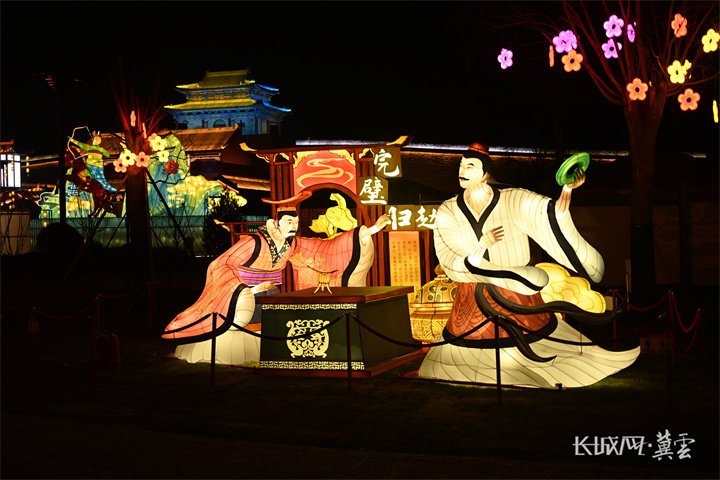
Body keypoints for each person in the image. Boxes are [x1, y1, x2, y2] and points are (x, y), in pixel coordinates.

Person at [418, 142, 640, 388]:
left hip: (519, 297)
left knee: (541, 350)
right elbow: (451, 255)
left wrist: (567, 190)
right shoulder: (449, 209)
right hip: (473, 300)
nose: (463, 170)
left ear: (485, 174)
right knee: (456, 359)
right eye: (461, 165)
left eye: (470, 166)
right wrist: (480, 249)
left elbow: (549, 214)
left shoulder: (513, 199)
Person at [163, 190, 391, 364]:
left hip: (273, 296)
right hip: (245, 297)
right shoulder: (253, 242)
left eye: (296, 223)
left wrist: (370, 231)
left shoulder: (291, 244)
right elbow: (221, 264)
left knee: (274, 327)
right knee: (242, 322)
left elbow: (323, 248)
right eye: (289, 222)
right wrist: (249, 289)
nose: (293, 227)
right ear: (275, 223)